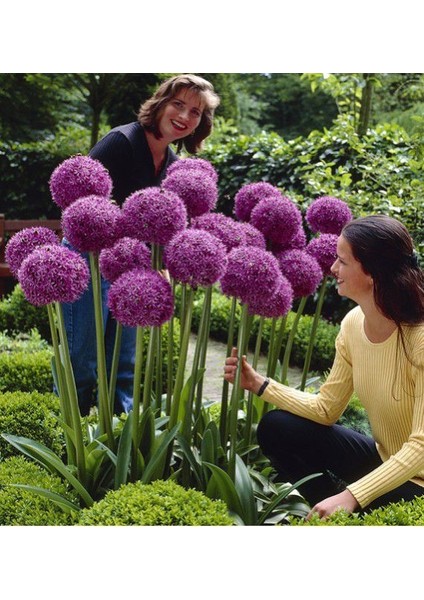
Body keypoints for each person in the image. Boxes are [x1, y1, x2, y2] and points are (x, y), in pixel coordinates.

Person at [224, 215, 424, 519]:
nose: (333, 269)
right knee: (278, 428)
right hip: (386, 461)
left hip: (419, 480)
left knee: (368, 496)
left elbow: (421, 446)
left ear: (372, 273)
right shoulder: (353, 324)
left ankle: (349, 509)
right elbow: (327, 409)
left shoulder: (420, 338)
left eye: (342, 261)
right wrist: (260, 385)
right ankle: (336, 514)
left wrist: (352, 494)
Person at [63, 74, 220, 415]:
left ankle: (120, 435)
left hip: (130, 267)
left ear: (200, 123)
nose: (184, 116)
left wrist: (162, 264)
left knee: (123, 362)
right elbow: (80, 205)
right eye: (178, 104)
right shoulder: (121, 142)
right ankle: (72, 437)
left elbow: (163, 227)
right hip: (87, 258)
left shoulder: (174, 167)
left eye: (195, 112)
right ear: (160, 103)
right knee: (82, 358)